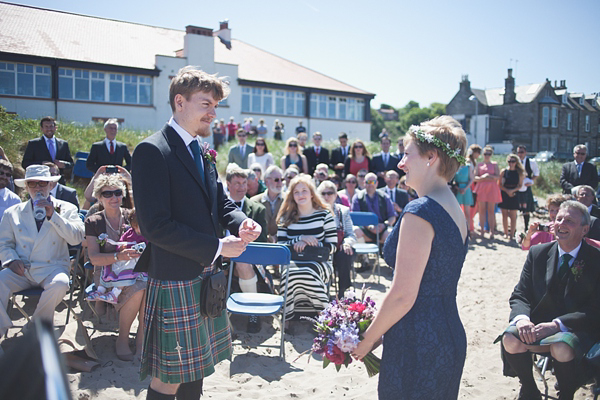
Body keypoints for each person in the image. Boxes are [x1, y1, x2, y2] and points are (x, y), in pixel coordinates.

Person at [131, 66, 261, 400]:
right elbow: (155, 226)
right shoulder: (152, 150)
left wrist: (241, 222)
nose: (213, 113)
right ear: (179, 102)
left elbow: (219, 202)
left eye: (215, 106)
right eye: (206, 104)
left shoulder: (201, 150)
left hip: (204, 276)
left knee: (198, 369)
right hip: (175, 276)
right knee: (169, 379)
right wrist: (218, 246)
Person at [353, 116, 468, 400]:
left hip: (418, 343)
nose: (400, 163)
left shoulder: (421, 210)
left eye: (406, 154)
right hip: (448, 333)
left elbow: (404, 294)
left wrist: (365, 341)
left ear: (431, 157)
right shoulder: (453, 206)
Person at [501, 200, 600, 400]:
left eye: (569, 221)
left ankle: (566, 394)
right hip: (537, 325)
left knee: (561, 346)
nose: (560, 223)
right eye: (558, 218)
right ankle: (529, 390)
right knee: (510, 338)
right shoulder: (538, 253)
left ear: (585, 229)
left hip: (577, 329)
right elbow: (520, 294)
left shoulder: (596, 259)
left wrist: (557, 325)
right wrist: (522, 320)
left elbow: (595, 308)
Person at [0, 165, 84, 340]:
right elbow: (4, 244)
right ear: (26, 187)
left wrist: (53, 215)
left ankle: (34, 328)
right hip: (23, 268)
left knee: (60, 284)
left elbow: (77, 239)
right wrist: (11, 260)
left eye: (42, 183)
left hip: (52, 267)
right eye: (32, 184)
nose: (38, 188)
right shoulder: (12, 212)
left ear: (51, 186)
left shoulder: (67, 208)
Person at [85, 174, 147, 360]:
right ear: (99, 197)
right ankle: (123, 338)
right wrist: (117, 256)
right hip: (107, 271)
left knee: (149, 286)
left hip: (136, 267)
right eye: (108, 193)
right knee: (139, 288)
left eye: (118, 192)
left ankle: (141, 341)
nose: (114, 197)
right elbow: (94, 258)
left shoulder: (131, 216)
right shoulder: (94, 221)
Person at [276, 175, 337, 321]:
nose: (300, 195)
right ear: (292, 196)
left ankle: (324, 317)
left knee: (307, 271)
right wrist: (299, 239)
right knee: (292, 273)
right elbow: (280, 247)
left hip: (319, 262)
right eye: (296, 192)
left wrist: (311, 243)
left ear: (311, 193)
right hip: (291, 262)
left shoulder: (325, 215)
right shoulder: (286, 218)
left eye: (304, 190)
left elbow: (333, 246)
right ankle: (288, 318)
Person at [225, 165, 267, 333]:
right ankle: (224, 324)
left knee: (242, 263)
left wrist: (239, 251)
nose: (242, 187)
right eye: (237, 183)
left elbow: (262, 243)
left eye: (244, 183)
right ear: (228, 184)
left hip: (249, 259)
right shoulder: (215, 208)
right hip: (221, 257)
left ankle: (253, 312)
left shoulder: (257, 209)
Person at [317, 181, 356, 298]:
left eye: (330, 193)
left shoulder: (343, 211)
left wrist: (347, 243)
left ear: (336, 195)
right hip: (321, 248)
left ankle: (343, 290)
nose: (326, 196)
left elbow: (351, 234)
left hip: (339, 249)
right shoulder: (314, 211)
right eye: (323, 193)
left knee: (345, 254)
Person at [352, 172, 397, 250]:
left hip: (382, 229)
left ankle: (387, 257)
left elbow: (392, 216)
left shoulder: (384, 197)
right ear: (364, 183)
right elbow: (355, 218)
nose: (371, 184)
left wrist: (384, 225)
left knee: (391, 233)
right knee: (355, 230)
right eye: (368, 182)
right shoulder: (358, 197)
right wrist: (369, 227)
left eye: (373, 182)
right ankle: (363, 257)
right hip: (365, 229)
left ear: (377, 183)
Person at [22, 116, 74, 182]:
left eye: (51, 126)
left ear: (55, 128)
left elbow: (71, 163)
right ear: (41, 128)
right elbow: (25, 163)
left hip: (58, 181)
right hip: (40, 181)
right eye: (46, 126)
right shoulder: (33, 144)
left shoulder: (63, 144)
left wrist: (64, 164)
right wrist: (41, 164)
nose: (49, 129)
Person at [474, 145, 502, 239]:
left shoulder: (494, 164)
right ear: (483, 154)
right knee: (481, 211)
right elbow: (475, 178)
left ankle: (492, 231)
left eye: (489, 154)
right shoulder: (479, 165)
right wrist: (483, 177)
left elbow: (498, 177)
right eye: (485, 154)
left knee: (491, 211)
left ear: (491, 155)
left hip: (492, 189)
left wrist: (489, 177)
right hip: (481, 189)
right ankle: (482, 230)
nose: (487, 155)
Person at [252, 165, 284, 243]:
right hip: (261, 245)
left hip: (282, 245)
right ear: (267, 182)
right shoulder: (254, 201)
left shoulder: (289, 200)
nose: (280, 183)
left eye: (282, 179)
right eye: (276, 180)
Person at [498, 154, 525, 240]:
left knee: (513, 216)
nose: (511, 163)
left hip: (515, 194)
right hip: (505, 193)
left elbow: (520, 185)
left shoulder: (519, 172)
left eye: (513, 161)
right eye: (509, 161)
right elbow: (499, 184)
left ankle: (511, 234)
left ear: (516, 162)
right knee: (504, 215)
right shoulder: (504, 171)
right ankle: (505, 233)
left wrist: (512, 191)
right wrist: (507, 191)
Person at [516, 145, 539, 230]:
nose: (520, 154)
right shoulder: (515, 162)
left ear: (525, 152)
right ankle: (514, 227)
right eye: (518, 152)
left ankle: (526, 227)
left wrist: (531, 181)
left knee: (527, 209)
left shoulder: (531, 162)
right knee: (515, 208)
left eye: (521, 152)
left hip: (526, 187)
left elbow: (536, 173)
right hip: (517, 187)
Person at [453, 150, 475, 237]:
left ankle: (468, 230)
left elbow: (471, 179)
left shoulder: (468, 166)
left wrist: (465, 188)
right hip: (458, 190)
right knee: (457, 212)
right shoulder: (455, 167)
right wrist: (458, 188)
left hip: (466, 190)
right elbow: (453, 180)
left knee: (467, 212)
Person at [466, 144, 482, 232]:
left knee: (474, 206)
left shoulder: (473, 161)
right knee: (471, 206)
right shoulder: (469, 161)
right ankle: (469, 226)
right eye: (478, 152)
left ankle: (470, 225)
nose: (479, 155)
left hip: (473, 184)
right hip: (471, 185)